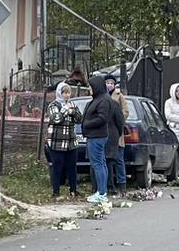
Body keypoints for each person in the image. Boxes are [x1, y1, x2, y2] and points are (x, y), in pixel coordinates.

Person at [79, 76, 118, 205]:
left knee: (98, 164)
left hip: (97, 136)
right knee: (101, 163)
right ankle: (102, 191)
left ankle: (101, 192)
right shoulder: (98, 99)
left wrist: (87, 124)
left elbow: (102, 118)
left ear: (96, 87)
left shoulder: (103, 100)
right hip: (95, 135)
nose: (89, 89)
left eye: (90, 86)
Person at [45, 82, 82, 200]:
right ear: (59, 93)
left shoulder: (73, 104)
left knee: (72, 167)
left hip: (71, 142)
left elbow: (79, 118)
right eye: (64, 92)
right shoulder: (53, 105)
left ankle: (73, 190)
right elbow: (56, 119)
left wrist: (73, 112)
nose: (67, 95)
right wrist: (66, 110)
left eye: (68, 92)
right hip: (57, 142)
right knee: (57, 167)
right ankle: (55, 191)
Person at [105, 74, 129, 195]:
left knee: (119, 160)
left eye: (111, 83)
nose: (109, 85)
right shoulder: (102, 96)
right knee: (107, 161)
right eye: (107, 83)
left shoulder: (120, 96)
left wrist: (117, 120)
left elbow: (125, 111)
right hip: (104, 132)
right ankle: (109, 185)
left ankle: (122, 184)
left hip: (116, 132)